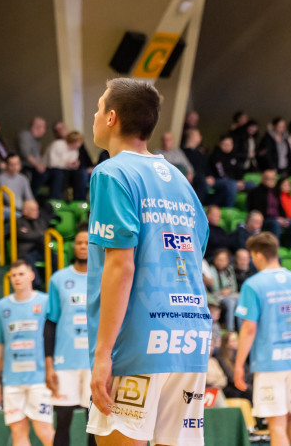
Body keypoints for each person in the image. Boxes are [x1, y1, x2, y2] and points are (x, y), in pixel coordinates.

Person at [86, 78, 210, 445]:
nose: (94, 116)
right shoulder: (179, 179)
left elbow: (121, 266)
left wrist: (103, 354)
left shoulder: (111, 172)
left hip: (138, 341)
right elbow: (195, 250)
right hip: (189, 338)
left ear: (111, 118)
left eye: (98, 108)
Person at [234, 232, 291, 446]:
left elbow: (249, 329)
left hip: (270, 363)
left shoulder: (253, 284)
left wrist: (238, 365)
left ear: (258, 255)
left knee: (277, 425)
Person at [0, 260, 53, 445]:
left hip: (40, 379)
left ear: (31, 276)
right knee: (18, 431)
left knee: (43, 429)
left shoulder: (45, 302)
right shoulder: (1, 307)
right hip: (12, 380)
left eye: (21, 274)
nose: (17, 278)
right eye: (14, 275)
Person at [45, 226, 93, 446]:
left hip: (94, 362)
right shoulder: (59, 279)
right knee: (63, 421)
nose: (83, 246)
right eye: (79, 242)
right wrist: (49, 365)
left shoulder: (103, 277)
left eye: (87, 243)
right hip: (65, 362)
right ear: (74, 246)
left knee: (94, 424)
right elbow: (50, 323)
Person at [247, 169, 291, 247]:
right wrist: (276, 219)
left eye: (273, 179)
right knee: (275, 223)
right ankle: (275, 248)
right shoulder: (255, 192)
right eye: (270, 179)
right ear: (263, 179)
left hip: (278, 219)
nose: (272, 181)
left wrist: (284, 218)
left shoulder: (275, 192)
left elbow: (280, 207)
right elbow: (257, 211)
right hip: (265, 219)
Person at [13, 199, 53, 286]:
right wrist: (39, 236)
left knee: (54, 255)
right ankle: (36, 284)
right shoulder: (18, 222)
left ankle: (56, 280)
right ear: (25, 211)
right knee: (28, 258)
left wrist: (35, 236)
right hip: (26, 252)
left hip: (40, 249)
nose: (36, 212)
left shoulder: (40, 221)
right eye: (33, 209)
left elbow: (48, 236)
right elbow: (23, 235)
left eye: (37, 209)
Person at [44, 131, 87, 201]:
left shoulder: (75, 151)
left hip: (66, 170)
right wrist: (67, 164)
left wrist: (74, 165)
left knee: (80, 173)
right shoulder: (57, 144)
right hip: (50, 169)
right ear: (74, 141)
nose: (80, 144)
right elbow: (52, 163)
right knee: (59, 174)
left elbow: (71, 165)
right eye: (79, 142)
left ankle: (79, 201)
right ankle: (56, 200)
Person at [209, 134, 246, 208]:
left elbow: (238, 170)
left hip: (233, 181)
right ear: (220, 144)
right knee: (232, 184)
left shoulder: (234, 155)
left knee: (252, 185)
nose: (227, 146)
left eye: (229, 144)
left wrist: (240, 180)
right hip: (218, 180)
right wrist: (235, 182)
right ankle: (229, 209)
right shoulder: (216, 155)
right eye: (225, 144)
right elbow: (221, 173)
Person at [207, 249, 238, 332]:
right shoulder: (211, 270)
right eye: (219, 259)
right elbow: (213, 287)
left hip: (229, 295)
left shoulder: (229, 270)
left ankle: (241, 328)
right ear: (215, 259)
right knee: (230, 302)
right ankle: (230, 329)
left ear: (228, 261)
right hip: (215, 296)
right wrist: (221, 292)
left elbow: (234, 286)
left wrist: (230, 291)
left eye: (223, 260)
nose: (221, 262)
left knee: (241, 300)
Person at [17, 117, 48, 189]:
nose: (44, 130)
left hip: (31, 166)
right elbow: (26, 154)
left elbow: (37, 157)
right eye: (44, 127)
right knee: (42, 175)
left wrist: (42, 165)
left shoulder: (37, 141)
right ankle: (30, 195)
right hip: (23, 165)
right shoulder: (25, 135)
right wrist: (38, 165)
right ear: (37, 127)